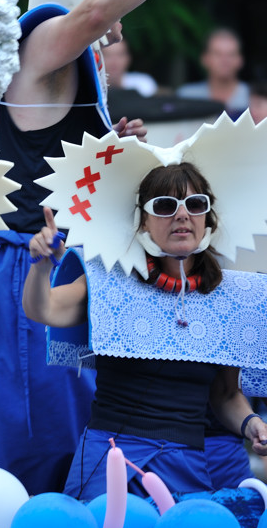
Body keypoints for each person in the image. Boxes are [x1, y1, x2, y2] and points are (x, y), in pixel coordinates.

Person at [0, 0, 213, 495]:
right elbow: (98, 9)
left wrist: (107, 151)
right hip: (21, 266)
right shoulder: (43, 39)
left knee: (71, 431)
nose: (122, 0)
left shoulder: (62, 68)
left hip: (45, 262)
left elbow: (48, 159)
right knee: (30, 441)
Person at [23, 161, 267, 499]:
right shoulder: (108, 278)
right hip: (107, 457)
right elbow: (44, 308)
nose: (182, 215)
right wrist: (41, 266)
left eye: (195, 204)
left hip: (187, 462)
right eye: (165, 205)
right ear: (143, 222)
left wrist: (251, 423)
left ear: (207, 219)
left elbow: (225, 394)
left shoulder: (230, 296)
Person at [177, 28, 249, 119]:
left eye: (231, 54)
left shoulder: (255, 98)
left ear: (240, 60)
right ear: (205, 59)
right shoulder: (186, 97)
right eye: (218, 54)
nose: (225, 60)